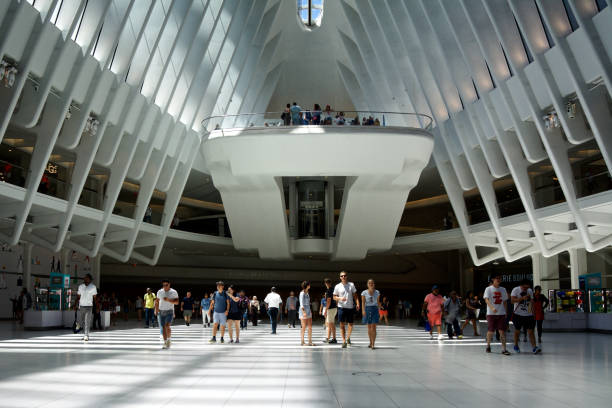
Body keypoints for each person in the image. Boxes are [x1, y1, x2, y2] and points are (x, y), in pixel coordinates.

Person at [511, 279, 541, 354]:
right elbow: (512, 300)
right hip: (518, 314)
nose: (526, 289)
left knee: (531, 331)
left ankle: (534, 347)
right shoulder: (515, 290)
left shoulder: (530, 291)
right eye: (525, 288)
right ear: (521, 285)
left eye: (527, 288)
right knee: (517, 331)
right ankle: (516, 345)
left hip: (528, 314)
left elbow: (531, 302)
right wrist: (522, 298)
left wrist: (533, 313)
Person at [484, 274, 511, 355]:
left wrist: (505, 312)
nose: (498, 280)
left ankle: (504, 349)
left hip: (501, 313)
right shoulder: (488, 289)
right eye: (497, 278)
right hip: (491, 314)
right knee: (491, 331)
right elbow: (486, 299)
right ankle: (488, 345)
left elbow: (505, 301)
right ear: (493, 279)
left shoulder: (503, 289)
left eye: (500, 278)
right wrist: (492, 308)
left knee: (502, 331)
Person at [333, 271, 360, 348]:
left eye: (344, 275)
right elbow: (334, 297)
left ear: (347, 276)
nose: (343, 277)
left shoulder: (351, 285)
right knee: (342, 324)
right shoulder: (337, 286)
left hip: (350, 307)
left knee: (350, 324)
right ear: (340, 277)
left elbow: (355, 296)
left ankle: (348, 337)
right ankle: (344, 341)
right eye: (342, 276)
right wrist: (340, 298)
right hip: (341, 307)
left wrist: (357, 303)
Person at [155, 279, 179, 349]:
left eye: (166, 285)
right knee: (163, 327)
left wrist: (168, 300)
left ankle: (169, 340)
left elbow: (177, 302)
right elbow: (157, 301)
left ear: (169, 285)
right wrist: (156, 309)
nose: (165, 286)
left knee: (167, 326)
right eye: (163, 285)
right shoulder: (160, 291)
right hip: (161, 311)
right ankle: (165, 342)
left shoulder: (173, 292)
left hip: (169, 311)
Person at [76, 274, 97, 342]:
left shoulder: (93, 287)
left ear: (90, 279)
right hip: (81, 305)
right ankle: (85, 334)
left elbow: (95, 298)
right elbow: (78, 296)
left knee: (87, 320)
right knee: (83, 321)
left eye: (87, 278)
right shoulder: (80, 287)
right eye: (84, 278)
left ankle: (86, 335)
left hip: (89, 306)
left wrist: (97, 306)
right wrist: (75, 304)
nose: (85, 279)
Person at [361, 279, 382, 349]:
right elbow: (363, 302)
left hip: (375, 309)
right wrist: (363, 310)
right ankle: (370, 342)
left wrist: (379, 312)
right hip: (367, 309)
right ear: (367, 284)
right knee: (369, 327)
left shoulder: (377, 292)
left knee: (374, 327)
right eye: (369, 283)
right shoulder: (364, 292)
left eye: (372, 283)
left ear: (374, 284)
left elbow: (378, 302)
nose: (371, 284)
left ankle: (373, 343)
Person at [299, 281, 314, 346]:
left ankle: (310, 341)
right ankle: (302, 341)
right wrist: (304, 312)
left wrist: (310, 311)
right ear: (306, 285)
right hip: (303, 310)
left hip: (308, 309)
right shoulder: (302, 293)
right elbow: (301, 303)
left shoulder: (307, 293)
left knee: (310, 326)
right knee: (304, 326)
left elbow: (308, 303)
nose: (310, 285)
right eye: (309, 285)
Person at [323, 278, 337, 344]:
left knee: (329, 324)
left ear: (326, 283)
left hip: (330, 308)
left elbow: (328, 301)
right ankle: (333, 338)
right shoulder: (334, 290)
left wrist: (326, 310)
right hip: (334, 308)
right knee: (332, 324)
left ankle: (328, 338)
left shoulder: (328, 291)